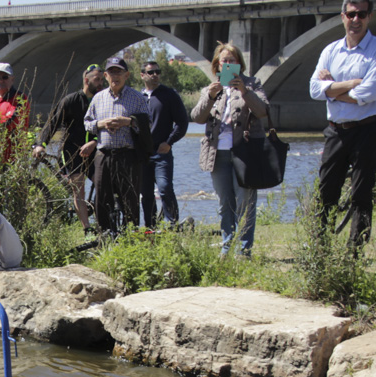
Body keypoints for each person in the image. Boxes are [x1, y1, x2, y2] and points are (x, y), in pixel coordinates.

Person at [308, 0, 376, 248]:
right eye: (351, 14)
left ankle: (355, 252)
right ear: (343, 16)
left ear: (369, 17)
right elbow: (314, 89)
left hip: (367, 129)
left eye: (361, 14)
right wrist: (352, 83)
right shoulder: (330, 50)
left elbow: (370, 93)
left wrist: (331, 88)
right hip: (336, 130)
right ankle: (320, 248)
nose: (356, 20)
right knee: (326, 190)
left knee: (361, 193)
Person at [190, 43, 270, 257]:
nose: (228, 64)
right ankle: (227, 247)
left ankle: (243, 251)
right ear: (217, 64)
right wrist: (209, 96)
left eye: (232, 61)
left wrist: (245, 91)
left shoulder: (252, 84)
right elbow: (197, 117)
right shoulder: (211, 88)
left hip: (244, 153)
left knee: (245, 202)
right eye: (224, 61)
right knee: (225, 203)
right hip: (217, 154)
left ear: (239, 64)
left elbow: (263, 111)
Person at [83, 56, 152, 233]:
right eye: (112, 72)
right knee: (101, 197)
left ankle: (130, 236)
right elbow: (88, 123)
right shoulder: (98, 98)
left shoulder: (137, 98)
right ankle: (105, 234)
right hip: (104, 155)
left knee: (129, 198)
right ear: (106, 75)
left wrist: (127, 122)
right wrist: (102, 124)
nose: (115, 76)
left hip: (128, 155)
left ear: (126, 75)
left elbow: (148, 123)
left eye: (119, 72)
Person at [33, 64, 103, 231]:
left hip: (96, 150)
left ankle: (104, 226)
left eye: (102, 79)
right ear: (87, 80)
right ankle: (87, 229)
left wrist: (94, 142)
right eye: (97, 79)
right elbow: (52, 124)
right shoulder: (70, 101)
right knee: (78, 190)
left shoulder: (103, 100)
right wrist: (41, 145)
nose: (101, 83)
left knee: (103, 186)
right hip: (72, 151)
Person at [139, 60, 189, 227]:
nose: (155, 75)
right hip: (142, 154)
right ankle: (150, 227)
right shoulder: (137, 97)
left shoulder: (169, 95)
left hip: (162, 153)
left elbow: (182, 123)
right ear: (142, 75)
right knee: (145, 194)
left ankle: (173, 225)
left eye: (157, 72)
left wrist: (169, 142)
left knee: (165, 187)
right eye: (151, 72)